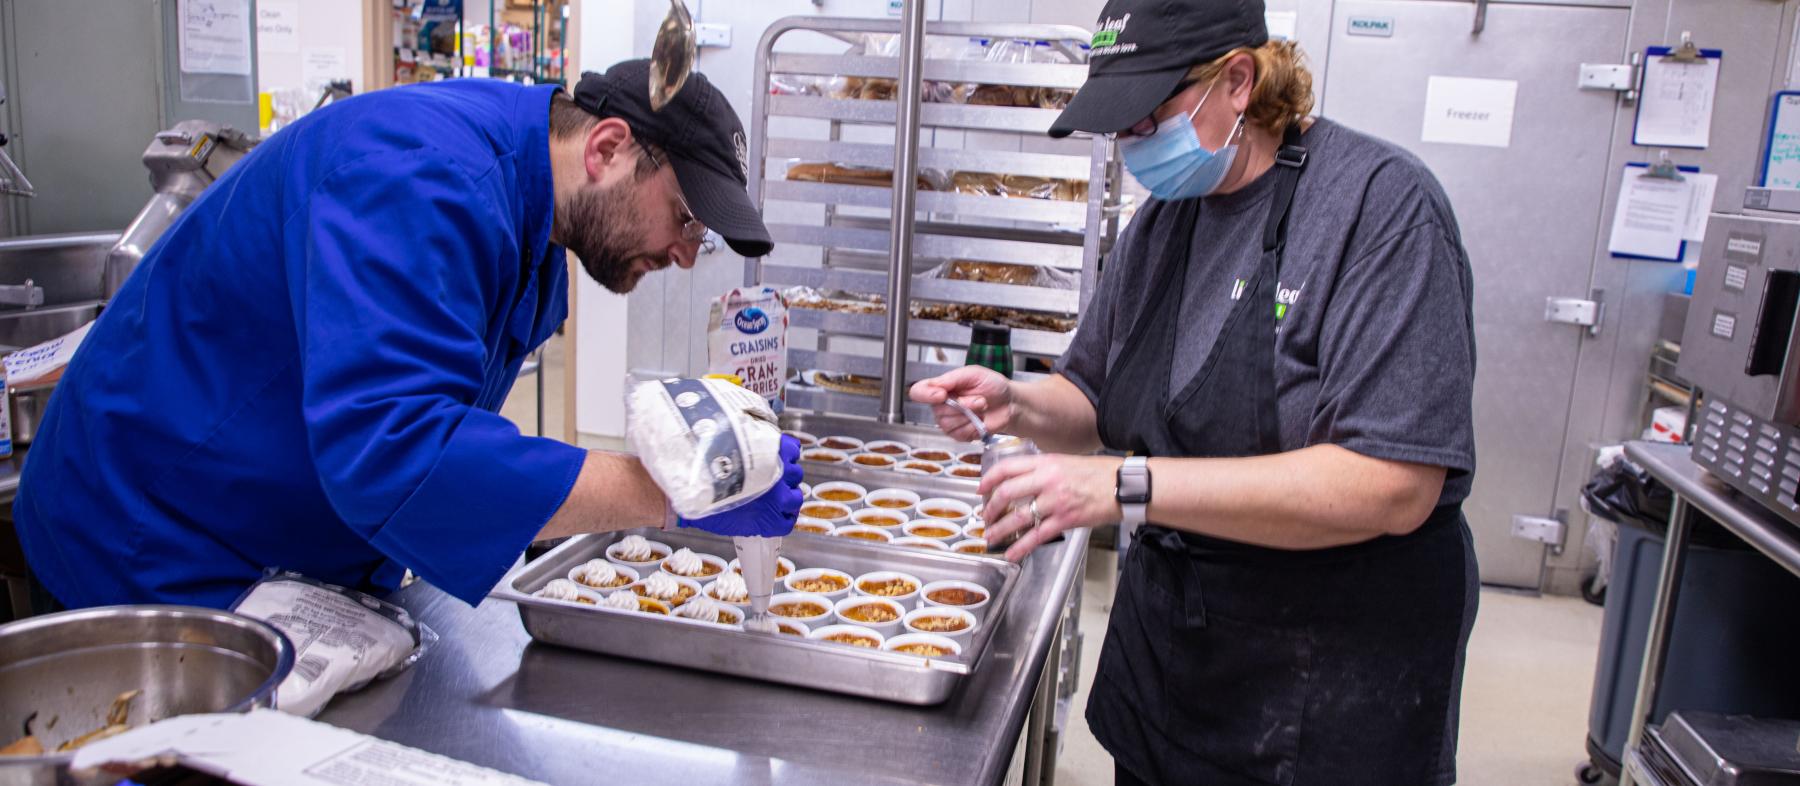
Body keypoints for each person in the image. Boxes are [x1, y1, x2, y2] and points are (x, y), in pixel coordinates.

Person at [911, 0, 1478, 783]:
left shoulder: (1378, 210)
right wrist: (1020, 403)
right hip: (1178, 666)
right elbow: (1095, 396)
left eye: (1147, 119)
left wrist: (1125, 486)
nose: (1132, 145)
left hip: (1326, 690)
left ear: (1238, 82)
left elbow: (1393, 484)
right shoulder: (1164, 223)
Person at [16, 59, 802, 612]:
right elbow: (393, 451)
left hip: (279, 540)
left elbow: (435, 413)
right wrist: (670, 493)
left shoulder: (528, 210)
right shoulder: (421, 178)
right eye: (687, 217)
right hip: (148, 537)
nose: (684, 252)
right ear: (607, 150)